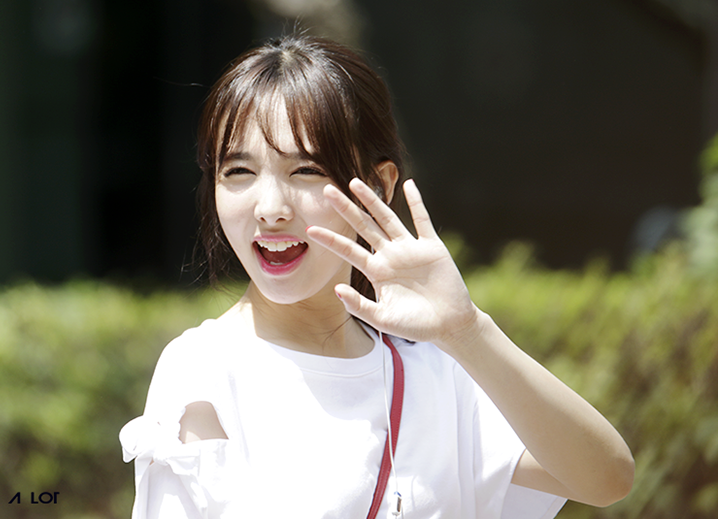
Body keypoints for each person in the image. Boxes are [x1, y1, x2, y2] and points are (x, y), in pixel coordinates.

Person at [119, 33, 634, 519]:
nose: (270, 208)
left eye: (306, 171)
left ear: (379, 185)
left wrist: (467, 331)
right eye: (239, 172)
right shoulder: (204, 371)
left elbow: (607, 478)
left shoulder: (435, 371)